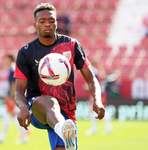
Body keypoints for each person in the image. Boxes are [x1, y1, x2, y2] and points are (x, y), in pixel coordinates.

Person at [13, 3, 105, 150]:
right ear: (35, 24)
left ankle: (63, 129)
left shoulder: (71, 45)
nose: (47, 24)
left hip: (67, 112)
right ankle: (62, 129)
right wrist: (23, 107)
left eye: (51, 20)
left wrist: (97, 100)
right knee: (51, 102)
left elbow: (91, 78)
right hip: (38, 109)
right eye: (42, 21)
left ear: (57, 22)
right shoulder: (26, 52)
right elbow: (18, 90)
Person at [0, 54, 29, 144]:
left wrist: (11, 96)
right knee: (9, 115)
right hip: (16, 95)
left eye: (6, 59)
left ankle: (23, 136)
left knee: (13, 115)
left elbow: (14, 84)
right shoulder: (14, 68)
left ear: (10, 59)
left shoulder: (13, 69)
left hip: (14, 97)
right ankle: (4, 136)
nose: (5, 61)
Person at [85, 58, 112, 136]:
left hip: (97, 93)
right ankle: (106, 129)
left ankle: (95, 129)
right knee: (102, 108)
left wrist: (92, 95)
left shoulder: (95, 71)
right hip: (102, 92)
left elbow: (93, 83)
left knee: (93, 109)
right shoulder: (101, 72)